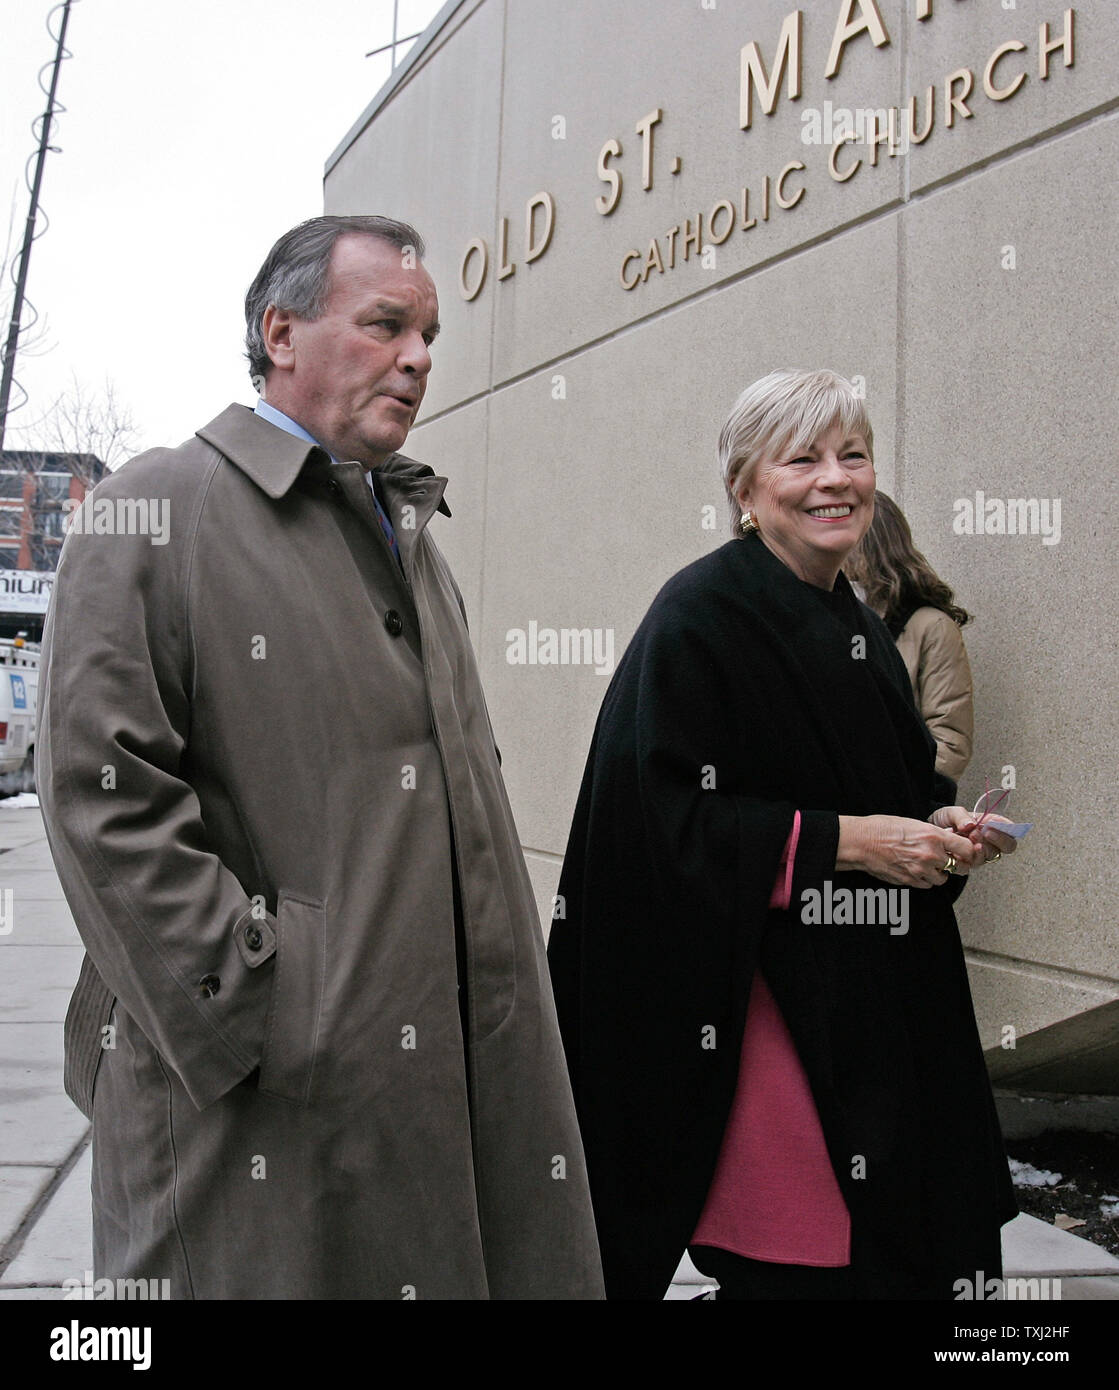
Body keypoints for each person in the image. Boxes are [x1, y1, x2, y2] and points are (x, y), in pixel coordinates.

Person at [38, 215, 603, 1300]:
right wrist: (260, 1005)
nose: (419, 357)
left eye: (430, 333)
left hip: (456, 1089)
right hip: (262, 1115)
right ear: (280, 332)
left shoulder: (409, 536)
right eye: (385, 324)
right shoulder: (155, 513)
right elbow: (101, 795)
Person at [547, 369, 1018, 1301]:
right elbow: (654, 822)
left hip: (883, 1004)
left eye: (853, 454)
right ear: (744, 488)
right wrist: (843, 844)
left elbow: (889, 790)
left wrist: (939, 829)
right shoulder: (701, 614)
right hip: (767, 1014)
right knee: (800, 1267)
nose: (834, 479)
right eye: (801, 459)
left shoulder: (861, 624)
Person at [845, 490, 974, 781]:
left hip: (897, 811)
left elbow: (950, 744)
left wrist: (897, 801)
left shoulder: (931, 627)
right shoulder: (821, 616)